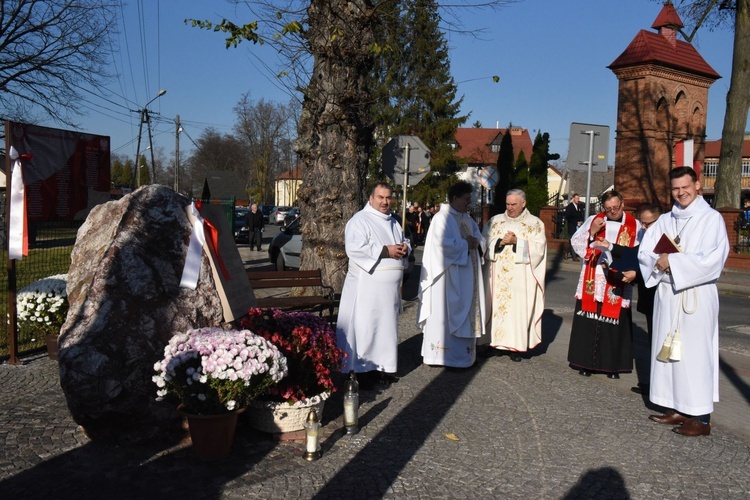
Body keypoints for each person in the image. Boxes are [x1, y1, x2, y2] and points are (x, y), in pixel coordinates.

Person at [638, 167, 729, 437]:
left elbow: (714, 260)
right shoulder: (666, 220)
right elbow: (645, 251)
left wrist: (673, 262)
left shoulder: (711, 219)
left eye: (685, 187)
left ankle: (700, 417)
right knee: (669, 353)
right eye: (676, 188)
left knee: (695, 354)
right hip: (668, 295)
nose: (681, 193)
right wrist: (658, 261)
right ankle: (677, 407)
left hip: (696, 296)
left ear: (697, 185)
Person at [337, 183, 411, 390]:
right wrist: (386, 251)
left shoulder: (394, 222)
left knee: (385, 329)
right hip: (367, 288)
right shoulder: (359, 220)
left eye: (388, 198)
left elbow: (404, 240)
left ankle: (382, 368)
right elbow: (354, 249)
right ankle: (361, 371)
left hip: (388, 292)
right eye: (380, 197)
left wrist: (406, 247)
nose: (385, 202)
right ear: (371, 198)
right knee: (366, 328)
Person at [567, 190, 641, 379]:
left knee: (614, 324)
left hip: (617, 278)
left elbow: (639, 252)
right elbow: (575, 243)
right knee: (590, 320)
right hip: (595, 275)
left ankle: (612, 366)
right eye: (608, 209)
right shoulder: (594, 219)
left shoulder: (634, 225)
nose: (612, 212)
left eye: (615, 207)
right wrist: (591, 232)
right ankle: (585, 363)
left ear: (622, 204)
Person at [418, 181, 486, 368]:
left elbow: (480, 239)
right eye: (465, 199)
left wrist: (477, 243)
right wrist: (467, 244)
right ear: (454, 198)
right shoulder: (441, 218)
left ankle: (463, 357)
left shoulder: (466, 218)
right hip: (448, 278)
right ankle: (442, 357)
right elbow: (440, 246)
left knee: (464, 314)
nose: (468, 203)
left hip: (466, 277)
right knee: (445, 316)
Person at [597, 203, 663, 394]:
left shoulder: (664, 238)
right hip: (649, 298)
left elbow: (657, 267)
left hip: (661, 296)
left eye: (647, 224)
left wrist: (636, 274)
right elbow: (634, 254)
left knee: (661, 343)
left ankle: (659, 388)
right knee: (653, 341)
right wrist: (610, 249)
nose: (642, 228)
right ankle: (654, 385)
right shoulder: (647, 234)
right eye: (642, 223)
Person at [480, 189, 546, 361]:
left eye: (514, 205)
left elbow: (539, 249)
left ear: (523, 203)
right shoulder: (495, 222)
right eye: (508, 204)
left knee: (517, 310)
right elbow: (483, 242)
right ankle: (493, 343)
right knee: (494, 306)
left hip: (520, 279)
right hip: (496, 276)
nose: (510, 208)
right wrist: (499, 242)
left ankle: (516, 347)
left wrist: (518, 242)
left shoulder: (535, 224)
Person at [564, 193, 584, 261]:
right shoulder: (570, 207)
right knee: (573, 241)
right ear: (573, 198)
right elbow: (568, 217)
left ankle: (567, 251)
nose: (577, 200)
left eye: (578, 198)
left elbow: (581, 215)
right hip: (572, 226)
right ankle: (574, 256)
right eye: (576, 198)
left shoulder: (579, 207)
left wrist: (580, 221)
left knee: (577, 241)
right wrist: (576, 223)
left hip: (578, 227)